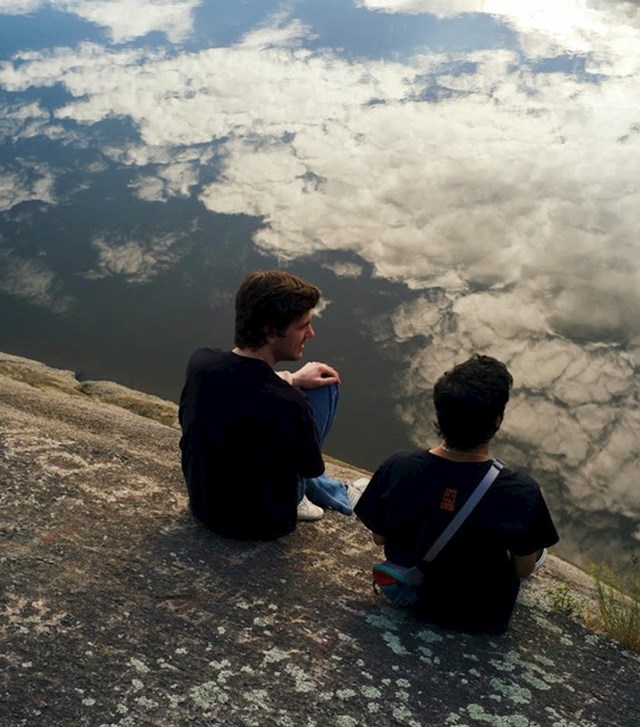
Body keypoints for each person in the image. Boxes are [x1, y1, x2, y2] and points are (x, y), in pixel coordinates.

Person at [354, 354, 559, 634]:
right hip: (481, 616)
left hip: (410, 597)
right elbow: (524, 570)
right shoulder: (520, 491)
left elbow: (379, 538)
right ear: (497, 421)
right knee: (532, 549)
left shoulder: (399, 467)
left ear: (440, 413)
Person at [179, 269, 353, 541]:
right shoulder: (289, 403)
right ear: (271, 331)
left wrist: (292, 378)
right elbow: (310, 469)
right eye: (302, 326)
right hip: (263, 523)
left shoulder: (201, 362)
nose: (311, 333)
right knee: (325, 386)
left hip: (203, 505)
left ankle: (333, 491)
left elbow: (247, 386)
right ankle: (330, 494)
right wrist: (291, 387)